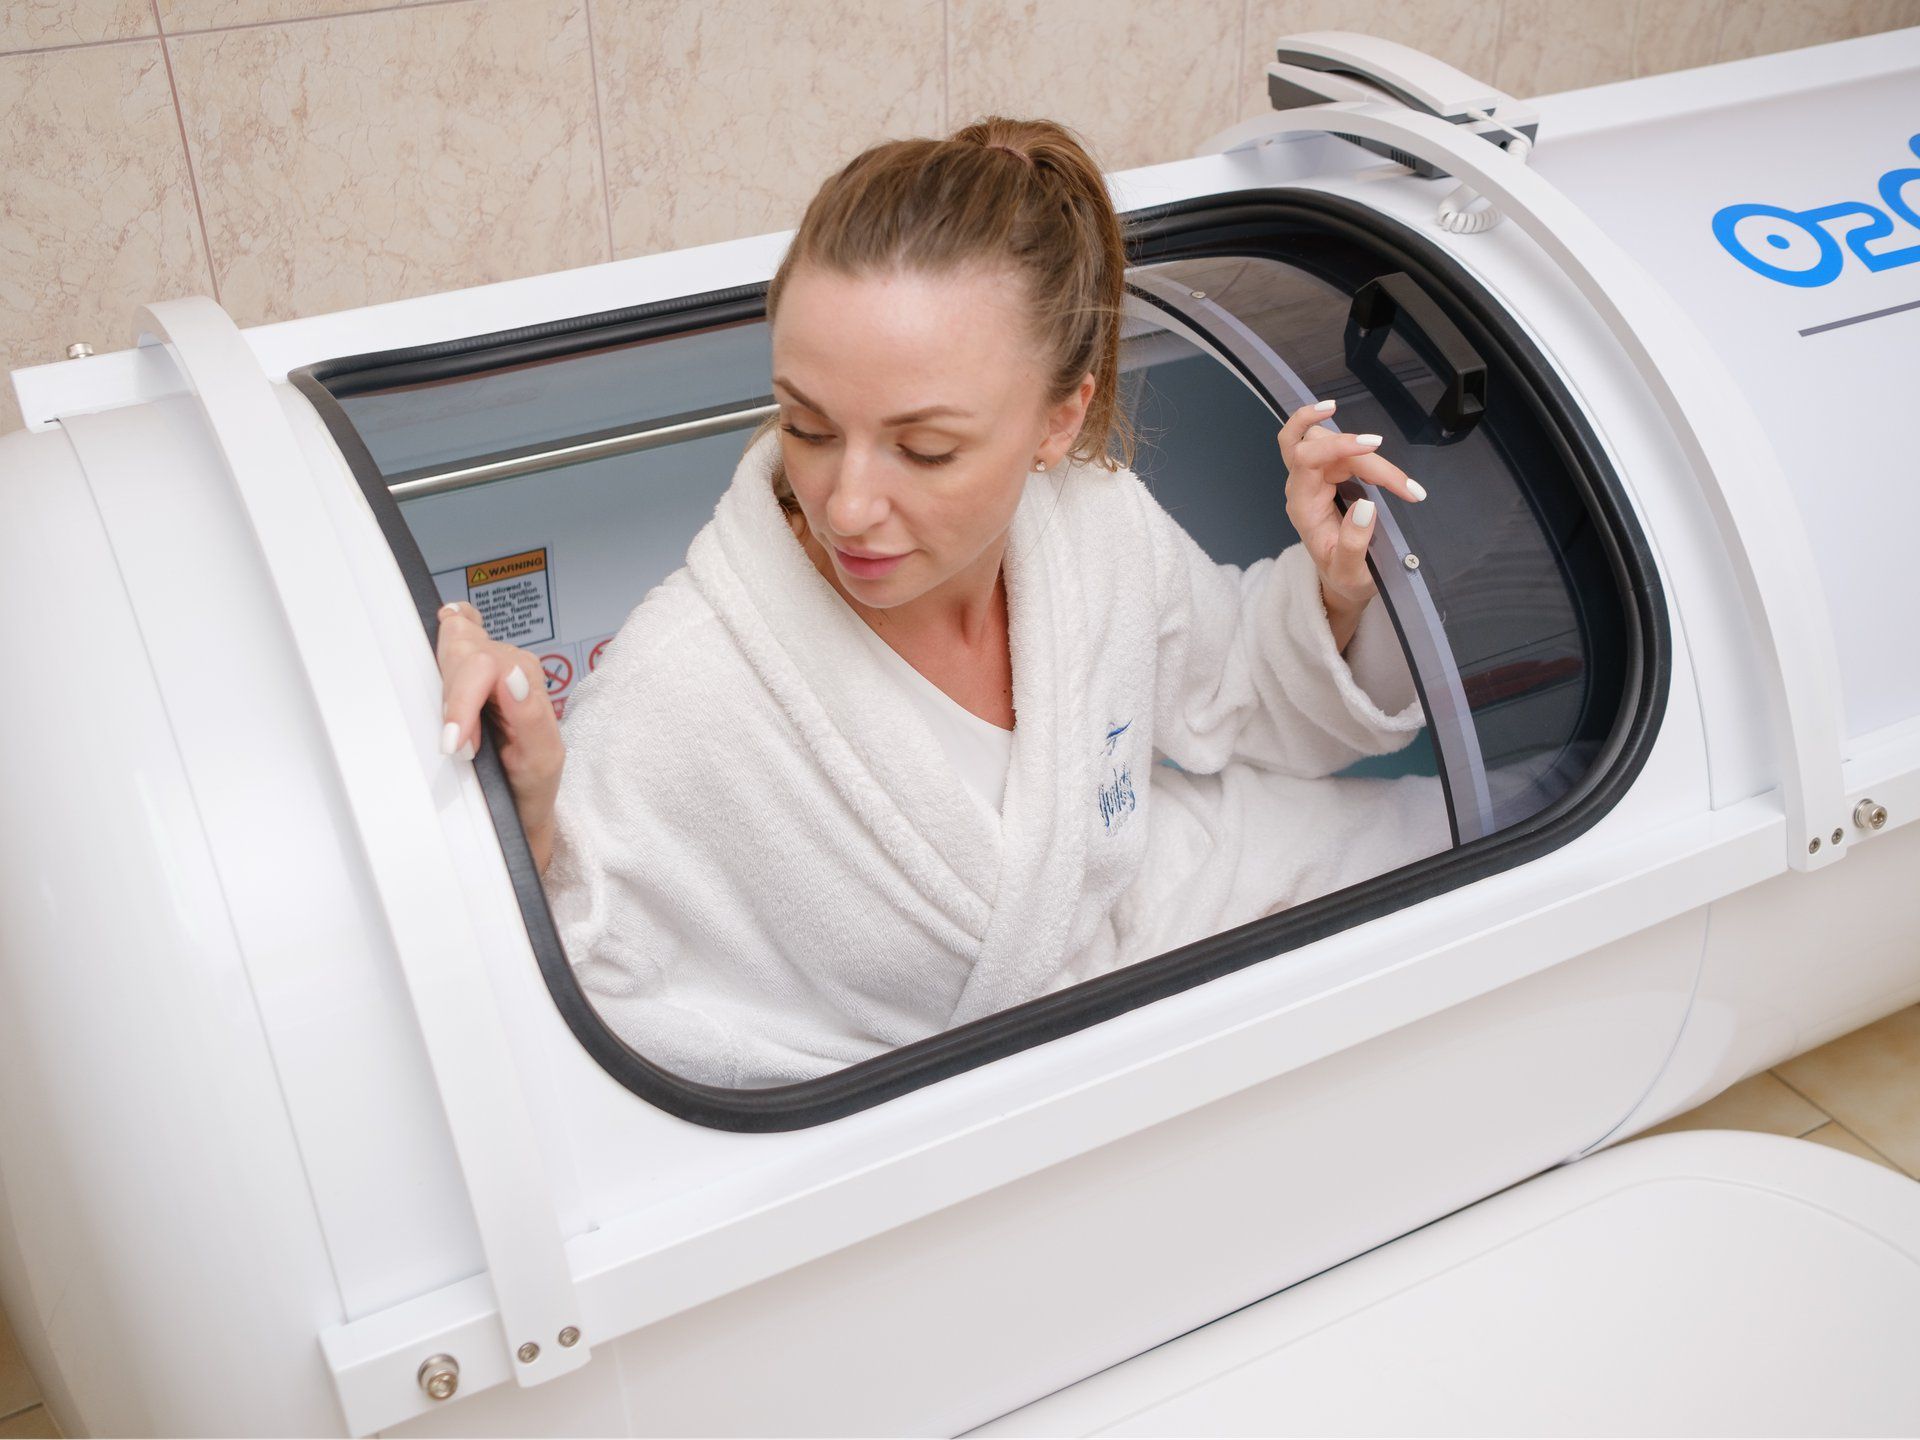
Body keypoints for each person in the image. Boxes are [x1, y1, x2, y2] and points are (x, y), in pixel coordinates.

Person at [433, 117, 1450, 1088]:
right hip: (937, 1107)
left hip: (1136, 940)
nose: (847, 506)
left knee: (1459, 837)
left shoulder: (1095, 525)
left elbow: (1238, 688)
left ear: (1059, 421)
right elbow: (574, 958)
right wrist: (521, 816)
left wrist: (1335, 586)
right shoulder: (684, 679)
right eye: (808, 428)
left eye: (923, 449)